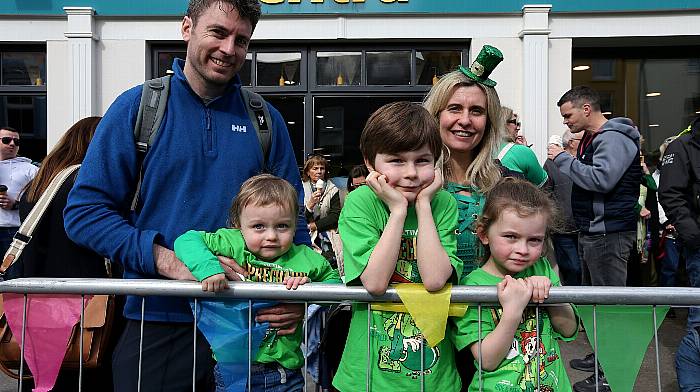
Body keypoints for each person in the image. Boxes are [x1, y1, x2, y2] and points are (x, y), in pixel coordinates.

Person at [64, 1, 309, 390]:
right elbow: (84, 213)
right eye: (218, 32)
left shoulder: (265, 119)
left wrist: (299, 296)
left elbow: (294, 222)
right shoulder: (137, 108)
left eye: (241, 39)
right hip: (159, 318)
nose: (229, 49)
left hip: (251, 328)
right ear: (186, 28)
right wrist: (169, 261)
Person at [332, 101, 462, 391]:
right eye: (396, 160)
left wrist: (425, 205)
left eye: (423, 160)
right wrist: (398, 211)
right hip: (368, 376)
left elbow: (434, 279)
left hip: (435, 377)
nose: (412, 173)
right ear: (369, 163)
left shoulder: (443, 203)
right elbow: (375, 282)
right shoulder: (360, 203)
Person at [174, 174, 341, 391]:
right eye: (259, 227)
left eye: (282, 226)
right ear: (238, 225)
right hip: (234, 371)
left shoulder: (305, 258)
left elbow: (335, 285)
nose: (271, 236)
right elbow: (187, 240)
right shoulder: (233, 242)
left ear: (294, 225)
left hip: (285, 373)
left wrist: (309, 292)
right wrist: (209, 269)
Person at [9, 117, 114, 391]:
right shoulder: (84, 184)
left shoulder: (38, 184)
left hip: (37, 304)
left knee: (43, 380)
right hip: (83, 307)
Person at [547, 85, 640, 392]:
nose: (565, 122)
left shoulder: (612, 138)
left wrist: (563, 159)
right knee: (599, 303)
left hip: (607, 235)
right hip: (598, 232)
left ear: (586, 108)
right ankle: (602, 360)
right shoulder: (598, 139)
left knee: (609, 307)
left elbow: (602, 179)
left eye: (567, 114)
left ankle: (610, 376)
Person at [451, 178, 578, 392]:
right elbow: (487, 360)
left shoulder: (542, 268)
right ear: (483, 234)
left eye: (534, 240)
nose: (523, 249)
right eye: (511, 236)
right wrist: (512, 311)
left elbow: (568, 329)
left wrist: (549, 297)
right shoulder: (472, 286)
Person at [422, 44, 504, 278]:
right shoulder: (413, 180)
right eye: (455, 108)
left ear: (488, 122)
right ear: (436, 115)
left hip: (486, 312)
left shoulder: (504, 183)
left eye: (477, 111)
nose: (465, 120)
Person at [657, 117, 700, 391]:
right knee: (699, 324)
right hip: (698, 247)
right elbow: (670, 194)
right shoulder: (683, 146)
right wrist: (694, 236)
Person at [543, 129, 582, 286]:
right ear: (572, 143)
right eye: (582, 139)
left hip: (584, 226)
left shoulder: (584, 161)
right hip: (562, 227)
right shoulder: (551, 164)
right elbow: (545, 193)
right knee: (572, 268)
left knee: (584, 268)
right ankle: (573, 302)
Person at [0, 126, 38, 256]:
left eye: (16, 142)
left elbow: (40, 199)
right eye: (6, 140)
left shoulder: (30, 169)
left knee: (13, 275)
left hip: (13, 229)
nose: (12, 144)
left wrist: (15, 204)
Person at [302, 154, 341, 266]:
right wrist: (310, 205)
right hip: (306, 232)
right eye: (315, 168)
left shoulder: (332, 189)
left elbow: (335, 216)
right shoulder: (301, 188)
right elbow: (297, 215)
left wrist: (315, 225)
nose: (319, 171)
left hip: (326, 232)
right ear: (308, 172)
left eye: (322, 168)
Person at [497, 106, 549, 188]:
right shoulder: (522, 151)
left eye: (519, 124)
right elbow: (543, 183)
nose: (518, 128)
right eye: (515, 122)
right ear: (503, 124)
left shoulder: (483, 148)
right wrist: (525, 151)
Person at [654, 136, 681, 288]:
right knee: (670, 269)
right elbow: (658, 200)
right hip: (670, 231)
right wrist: (667, 222)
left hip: (688, 228)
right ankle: (667, 308)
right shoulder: (658, 176)